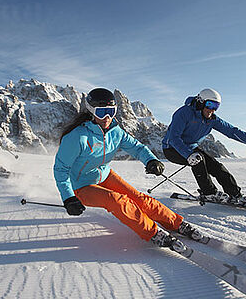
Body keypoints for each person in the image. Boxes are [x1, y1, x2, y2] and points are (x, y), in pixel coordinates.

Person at [53, 88, 201, 250]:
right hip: (81, 186)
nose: (107, 117)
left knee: (139, 199)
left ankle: (176, 223)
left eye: (111, 111)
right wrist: (68, 198)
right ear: (91, 111)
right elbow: (61, 169)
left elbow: (137, 148)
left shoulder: (115, 132)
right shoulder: (77, 137)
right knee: (117, 200)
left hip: (104, 175)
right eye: (102, 112)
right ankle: (152, 233)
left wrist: (150, 160)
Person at [162, 88, 246, 204]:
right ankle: (209, 193)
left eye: (216, 106)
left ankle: (235, 195)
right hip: (172, 148)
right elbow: (174, 138)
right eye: (209, 104)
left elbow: (232, 131)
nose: (212, 110)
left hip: (192, 148)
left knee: (217, 167)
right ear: (201, 102)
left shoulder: (212, 119)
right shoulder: (184, 113)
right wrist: (188, 155)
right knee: (199, 161)